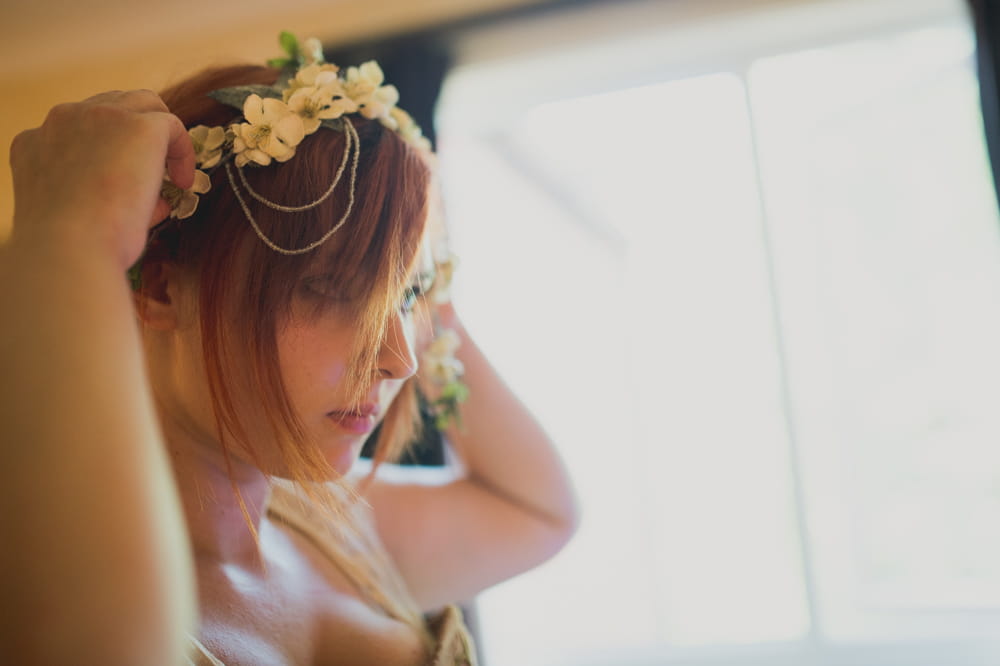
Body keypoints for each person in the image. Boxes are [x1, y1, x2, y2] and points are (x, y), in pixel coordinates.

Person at [0, 35, 578, 665]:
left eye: (407, 297)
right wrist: (66, 234)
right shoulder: (40, 571)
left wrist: (408, 258)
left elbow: (540, 511)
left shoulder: (334, 527)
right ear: (163, 285)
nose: (400, 361)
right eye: (329, 287)